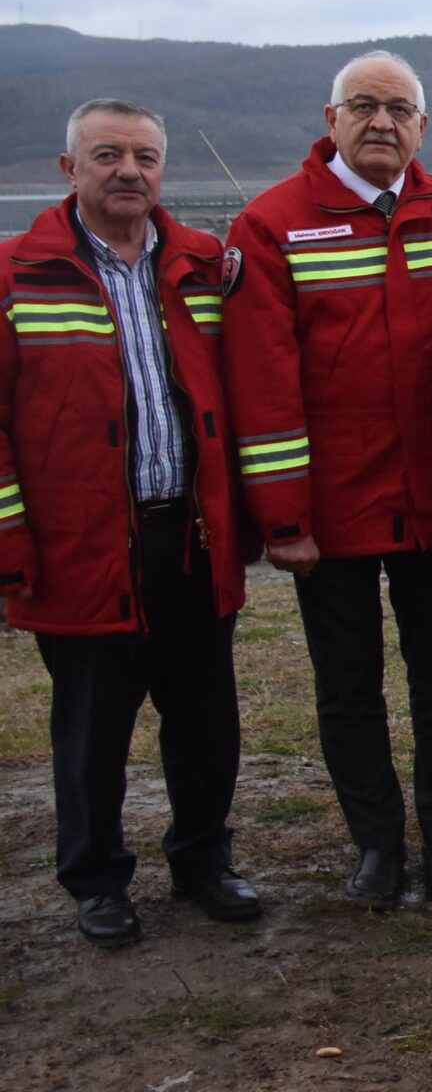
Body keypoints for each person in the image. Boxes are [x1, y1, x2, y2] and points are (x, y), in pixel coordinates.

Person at [222, 51, 432, 910]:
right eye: (364, 107)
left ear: (423, 125)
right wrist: (283, 518)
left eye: (400, 109)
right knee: (348, 686)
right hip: (331, 512)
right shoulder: (272, 225)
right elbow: (262, 381)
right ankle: (377, 844)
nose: (383, 123)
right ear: (330, 118)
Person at [1, 99, 256, 946]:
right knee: (91, 729)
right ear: (68, 169)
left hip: (188, 537)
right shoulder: (17, 276)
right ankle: (97, 877)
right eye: (107, 155)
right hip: (83, 544)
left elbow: (242, 401)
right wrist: (11, 544)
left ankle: (203, 860)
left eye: (145, 157)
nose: (128, 172)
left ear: (162, 170)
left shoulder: (202, 268)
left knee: (206, 718)